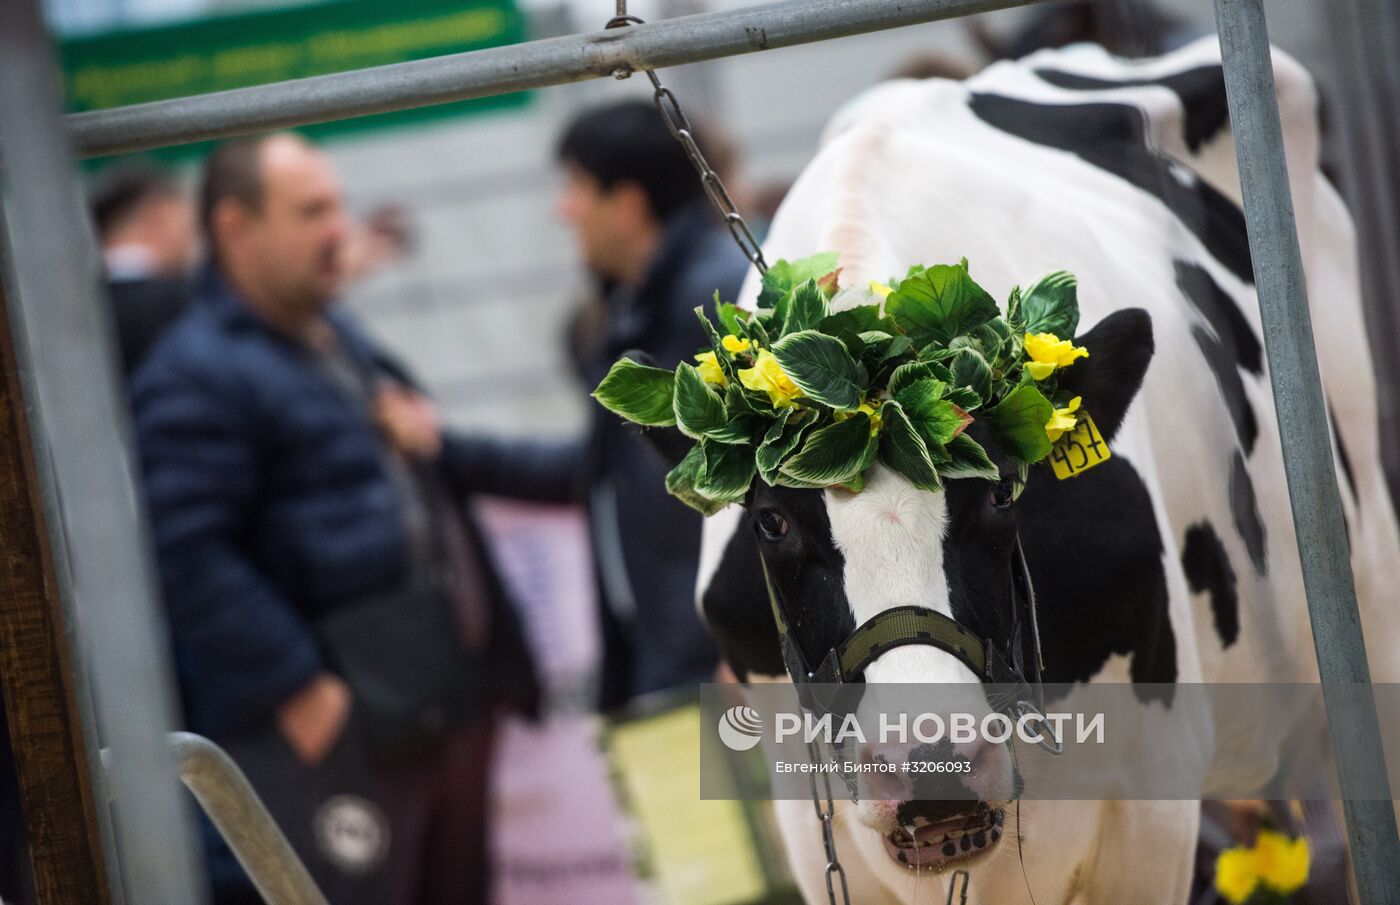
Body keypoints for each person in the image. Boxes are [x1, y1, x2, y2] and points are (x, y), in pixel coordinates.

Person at [130, 133, 555, 905]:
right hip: (341, 733)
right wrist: (301, 690)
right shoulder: (195, 371)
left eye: (338, 207)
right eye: (311, 211)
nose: (338, 228)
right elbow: (183, 549)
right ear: (235, 228)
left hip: (427, 709)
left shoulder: (330, 336)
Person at [557, 100, 751, 706]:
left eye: (577, 188)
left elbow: (762, 480)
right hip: (674, 646)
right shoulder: (642, 302)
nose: (563, 210)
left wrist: (745, 643)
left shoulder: (708, 297)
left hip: (716, 660)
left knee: (760, 804)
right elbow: (610, 464)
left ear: (628, 204)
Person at [90, 164, 199, 374]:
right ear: (158, 215)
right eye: (186, 220)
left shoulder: (69, 309)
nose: (191, 239)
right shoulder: (186, 300)